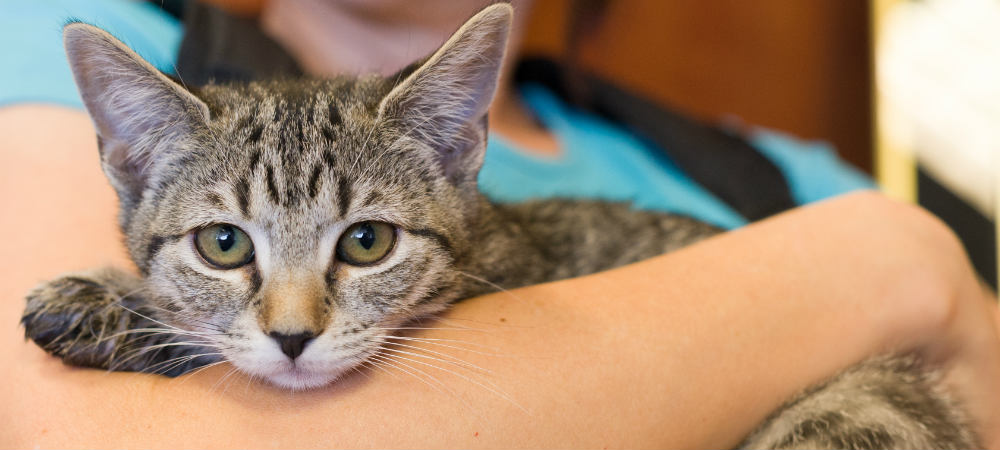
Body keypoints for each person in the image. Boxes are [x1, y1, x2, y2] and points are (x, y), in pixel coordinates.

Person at [1, 0, 999, 447]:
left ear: (453, 146)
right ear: (131, 161)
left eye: (361, 242)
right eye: (228, 245)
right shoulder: (100, 41)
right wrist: (889, 262)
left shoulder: (775, 171)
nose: (295, 319)